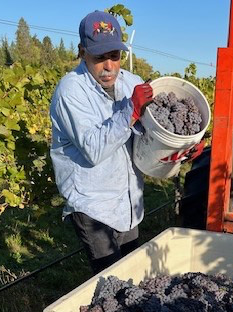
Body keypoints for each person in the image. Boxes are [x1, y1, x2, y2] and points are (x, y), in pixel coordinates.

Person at [50, 10, 154, 274]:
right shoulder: (70, 91)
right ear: (82, 52)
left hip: (128, 200)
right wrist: (130, 112)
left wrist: (175, 150)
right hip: (92, 204)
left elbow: (148, 135)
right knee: (111, 281)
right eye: (99, 57)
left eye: (115, 56)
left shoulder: (131, 83)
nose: (109, 66)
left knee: (130, 275)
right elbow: (94, 149)